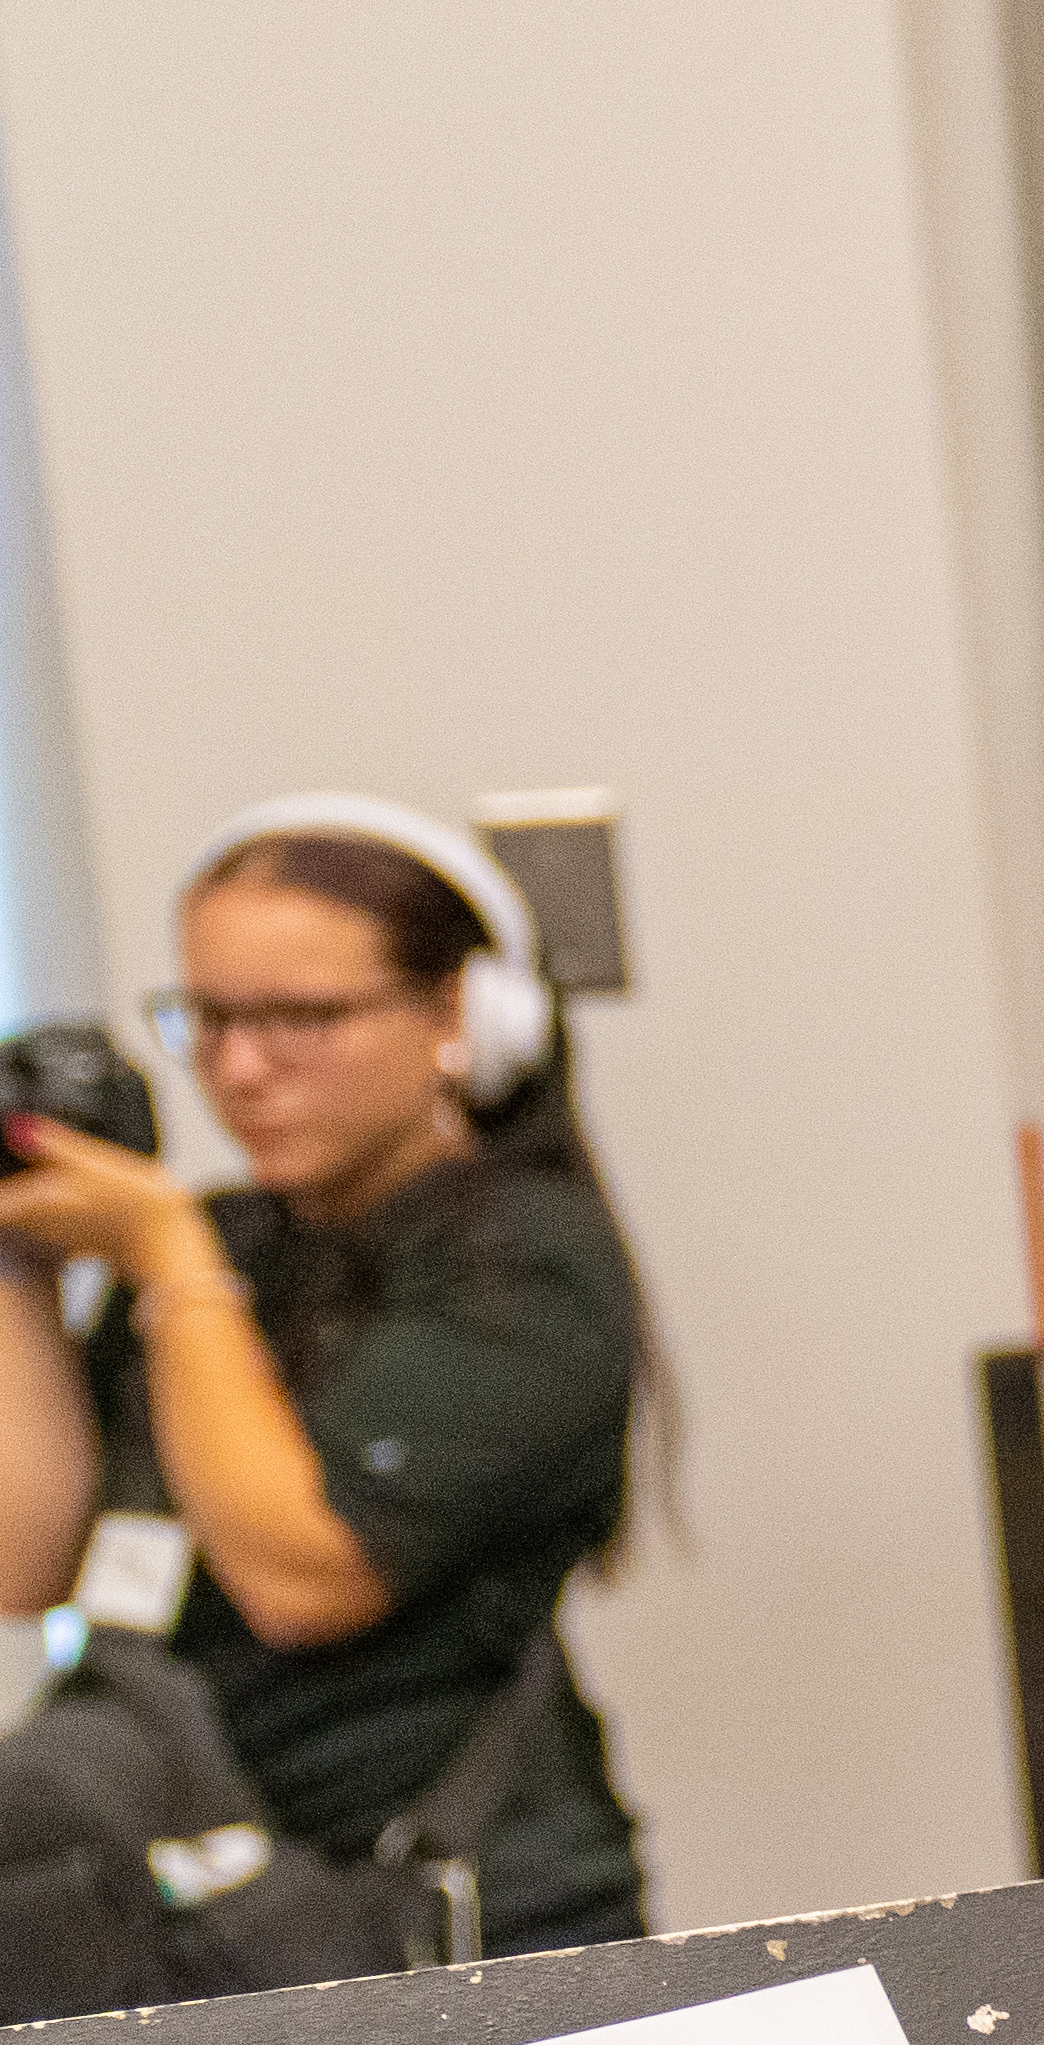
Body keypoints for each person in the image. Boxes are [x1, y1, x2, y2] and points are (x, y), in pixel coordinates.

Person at [0, 806, 659, 1948]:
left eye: (302, 1018)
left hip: (450, 1921)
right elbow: (29, 1560)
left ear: (463, 1014)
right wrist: (17, 1264)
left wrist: (168, 1262)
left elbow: (302, 1577)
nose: (241, 1069)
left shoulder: (532, 1265)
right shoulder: (230, 1240)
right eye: (208, 1018)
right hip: (200, 1905)